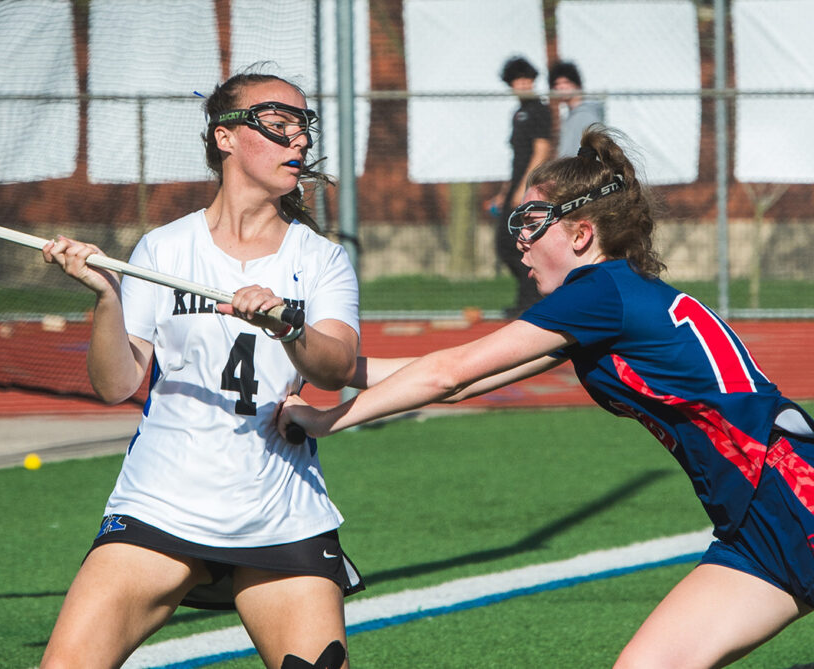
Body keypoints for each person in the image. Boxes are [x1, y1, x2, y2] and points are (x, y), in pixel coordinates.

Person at [281, 126, 814, 667]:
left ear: (581, 234)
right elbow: (459, 379)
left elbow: (449, 374)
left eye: (533, 222)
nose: (521, 240)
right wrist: (319, 358)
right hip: (755, 525)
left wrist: (327, 420)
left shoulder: (598, 294)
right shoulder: (605, 301)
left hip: (795, 493)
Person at [39, 69, 364, 669]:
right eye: (279, 124)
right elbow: (115, 384)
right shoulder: (163, 249)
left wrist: (287, 326)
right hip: (160, 506)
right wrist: (107, 296)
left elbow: (339, 366)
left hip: (278, 512)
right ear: (226, 137)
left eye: (303, 128)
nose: (298, 141)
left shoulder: (320, 259)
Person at [489, 55, 552, 317]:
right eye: (518, 81)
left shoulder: (539, 110)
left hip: (529, 185)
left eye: (528, 80)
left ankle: (532, 300)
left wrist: (523, 188)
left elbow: (542, 150)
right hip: (516, 183)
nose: (524, 85)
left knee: (517, 242)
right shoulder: (518, 113)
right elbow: (517, 157)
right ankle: (527, 298)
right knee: (505, 245)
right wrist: (505, 191)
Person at [549, 60, 604, 158]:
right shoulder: (570, 116)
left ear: (577, 84)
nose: (561, 87)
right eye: (557, 84)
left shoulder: (586, 114)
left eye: (566, 82)